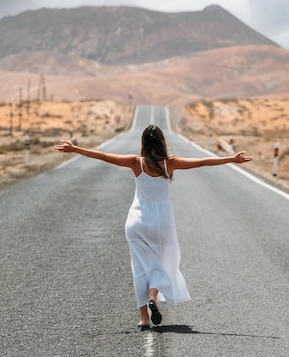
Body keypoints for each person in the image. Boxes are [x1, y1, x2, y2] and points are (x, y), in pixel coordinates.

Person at [54, 125, 253, 330]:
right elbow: (202, 162)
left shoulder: (135, 163)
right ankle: (153, 295)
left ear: (143, 143)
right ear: (161, 142)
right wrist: (231, 159)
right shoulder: (169, 164)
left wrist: (76, 149)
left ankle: (144, 318)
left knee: (139, 268)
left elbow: (105, 156)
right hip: (161, 221)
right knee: (163, 262)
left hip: (136, 221)